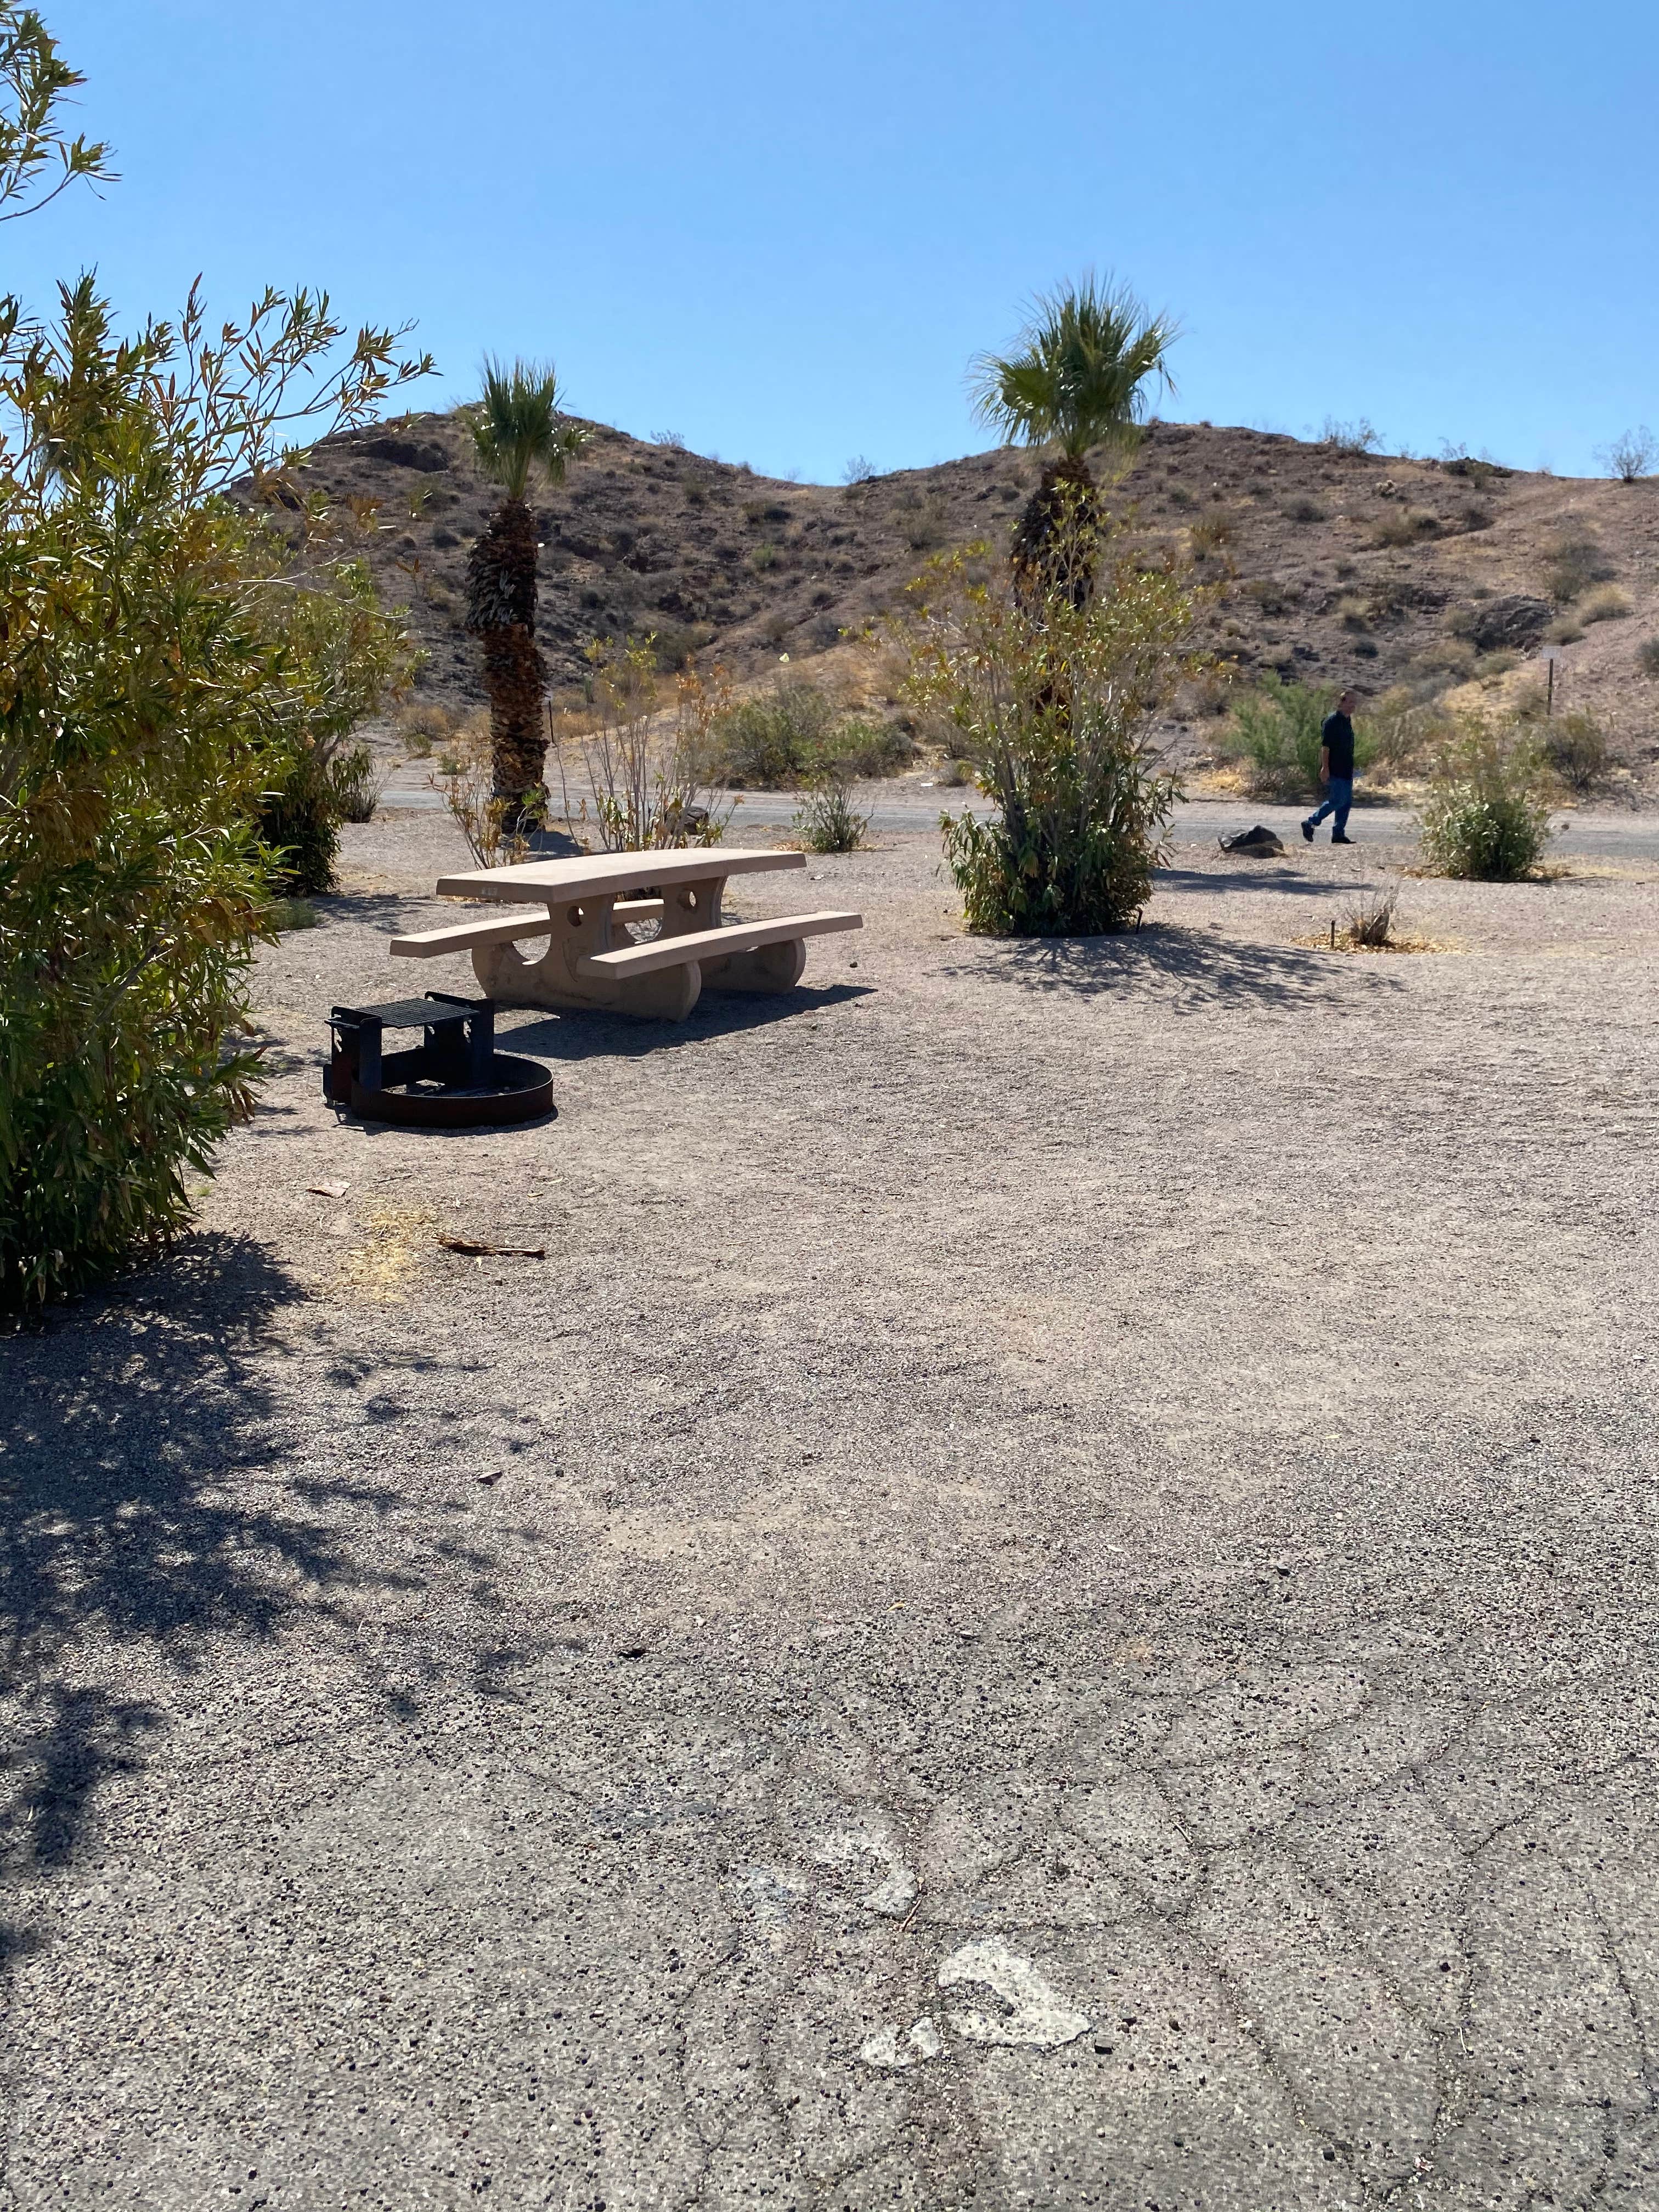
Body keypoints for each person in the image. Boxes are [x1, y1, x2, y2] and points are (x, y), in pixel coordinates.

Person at [1302, 690, 1359, 845]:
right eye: (1350, 702)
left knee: (1346, 802)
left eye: (1355, 703)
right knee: (1337, 800)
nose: (1353, 706)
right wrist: (1325, 768)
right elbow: (1325, 747)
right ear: (1341, 703)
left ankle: (1338, 834)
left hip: (1347, 767)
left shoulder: (1347, 721)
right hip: (1335, 767)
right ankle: (1311, 822)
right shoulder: (1332, 721)